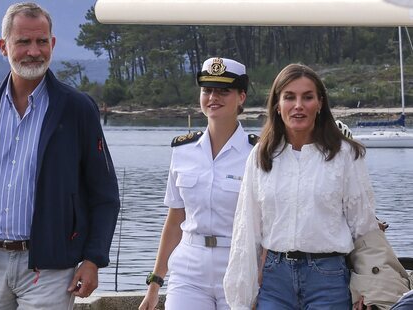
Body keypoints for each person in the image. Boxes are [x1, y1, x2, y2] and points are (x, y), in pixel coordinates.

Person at [0, 3, 120, 310]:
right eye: (23, 42)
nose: (34, 51)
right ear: (3, 46)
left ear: (53, 44)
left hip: (51, 265)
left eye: (41, 41)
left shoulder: (77, 110)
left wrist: (93, 259)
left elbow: (105, 194)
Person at [224, 63, 380, 309]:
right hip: (275, 281)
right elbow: (247, 231)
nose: (298, 105)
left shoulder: (346, 155)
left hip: (329, 278)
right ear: (277, 104)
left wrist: (367, 288)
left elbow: (364, 227)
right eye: (289, 97)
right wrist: (242, 297)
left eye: (307, 97)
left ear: (319, 104)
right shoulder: (260, 156)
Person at [139, 57, 255, 310]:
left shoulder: (257, 153)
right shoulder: (183, 150)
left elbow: (266, 223)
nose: (213, 97)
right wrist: (155, 283)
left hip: (238, 264)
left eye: (224, 91)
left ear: (242, 97)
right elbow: (174, 219)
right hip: (189, 267)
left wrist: (261, 277)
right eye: (207, 90)